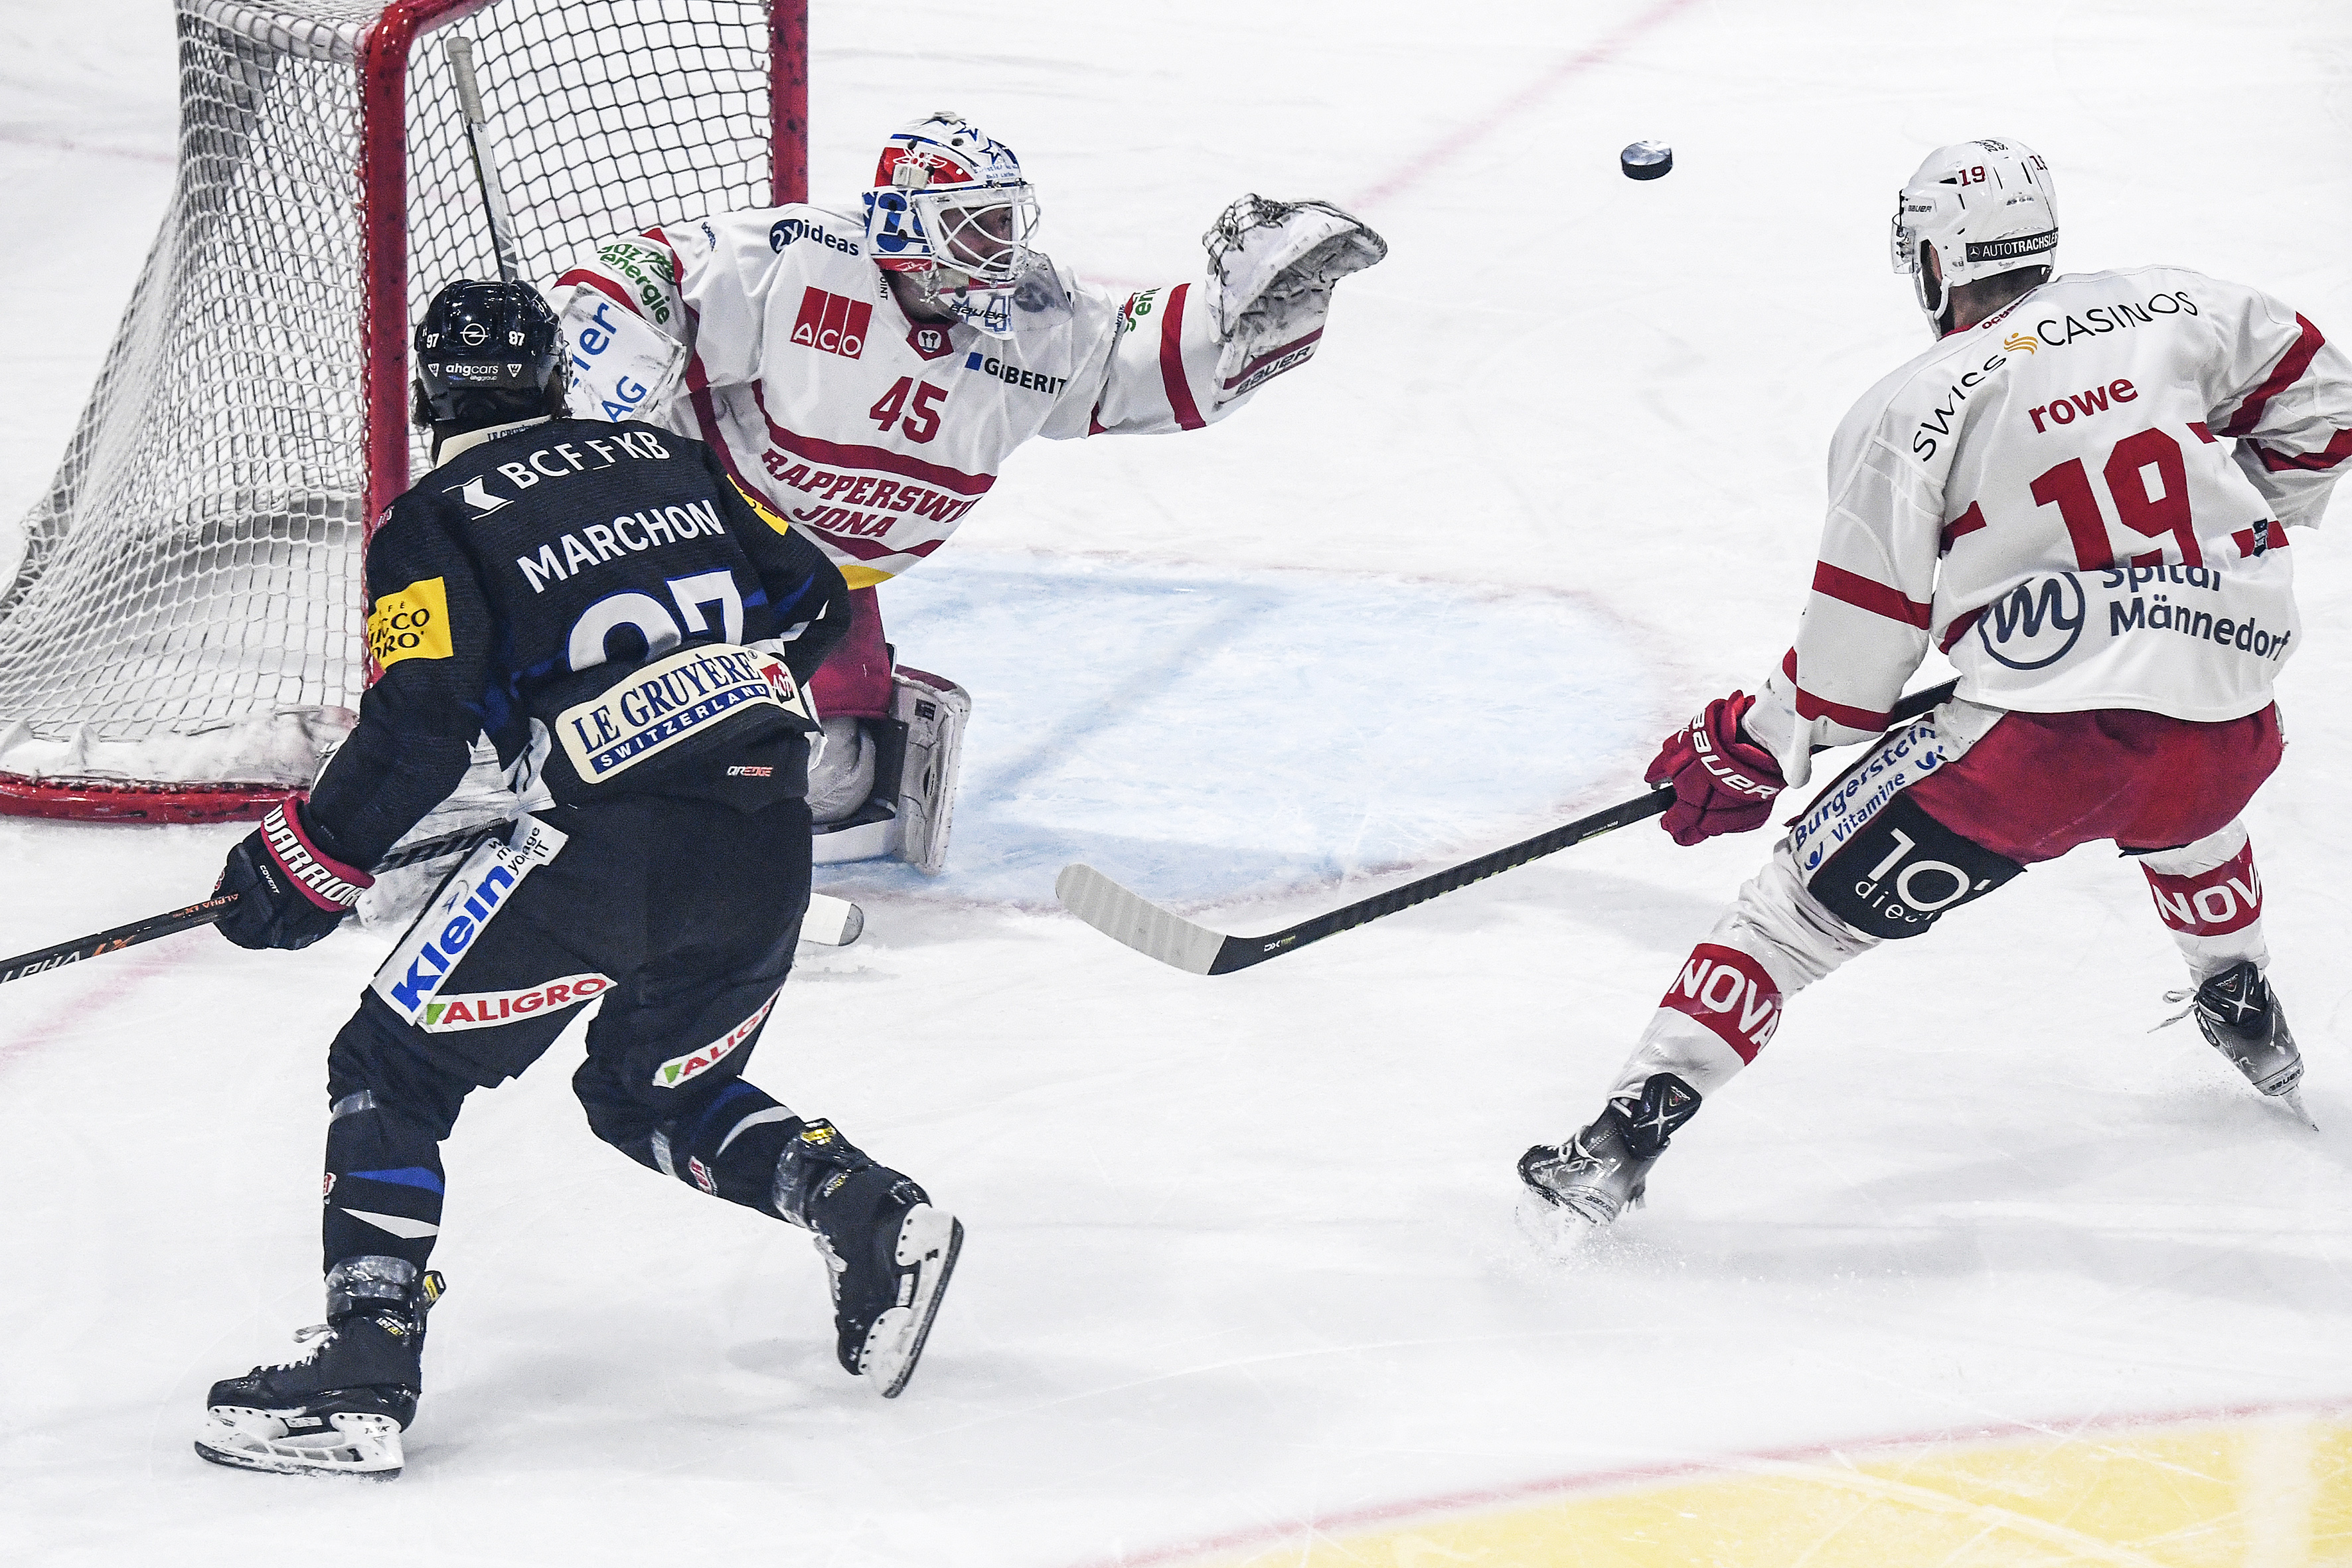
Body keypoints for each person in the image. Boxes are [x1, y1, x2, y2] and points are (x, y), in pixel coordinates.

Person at [195, 279, 961, 1481]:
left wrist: (304, 863)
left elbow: (419, 730)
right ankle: (863, 1209)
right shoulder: (668, 460)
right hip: (765, 833)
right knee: (649, 1090)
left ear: (429, 397)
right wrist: (707, 704)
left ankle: (362, 1367)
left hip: (605, 852)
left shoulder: (431, 519)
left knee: (391, 1068)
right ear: (555, 380)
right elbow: (816, 597)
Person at [1520, 139, 2351, 1227]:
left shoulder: (1910, 405)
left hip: (2038, 757)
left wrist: (1750, 742)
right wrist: (2216, 532)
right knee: (2183, 802)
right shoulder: (2177, 303)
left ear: (1930, 260)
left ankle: (1618, 1140)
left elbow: (1852, 660)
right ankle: (2237, 995)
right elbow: (2328, 408)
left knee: (1788, 919)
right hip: (2232, 726)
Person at [553, 110, 1387, 853]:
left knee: (830, 780)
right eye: (973, 226)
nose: (1000, 250)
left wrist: (1233, 317)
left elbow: (1136, 369)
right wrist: (601, 407)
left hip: (826, 587)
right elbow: (637, 275)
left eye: (1004, 223)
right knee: (629, 742)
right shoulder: (800, 259)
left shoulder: (1037, 315)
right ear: (903, 225)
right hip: (698, 550)